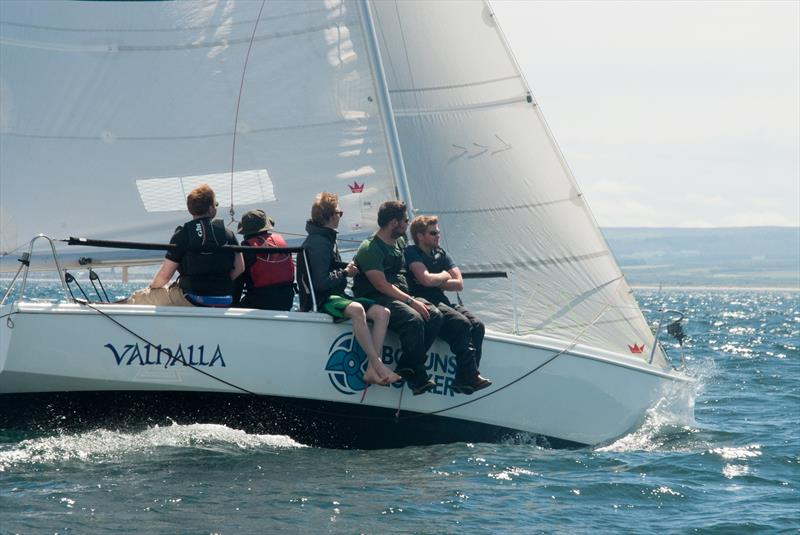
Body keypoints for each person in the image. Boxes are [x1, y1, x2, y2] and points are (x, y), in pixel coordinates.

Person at [299, 192, 400, 386]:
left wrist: (348, 270)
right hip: (324, 298)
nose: (340, 215)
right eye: (339, 212)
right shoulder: (319, 242)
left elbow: (330, 269)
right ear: (329, 215)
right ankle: (377, 365)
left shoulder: (326, 238)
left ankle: (371, 370)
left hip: (337, 294)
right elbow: (320, 283)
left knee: (382, 312)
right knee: (357, 310)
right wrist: (345, 273)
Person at [352, 201, 443, 395]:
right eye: (405, 220)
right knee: (414, 319)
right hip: (376, 296)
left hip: (399, 294)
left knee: (434, 315)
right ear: (394, 222)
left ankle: (407, 365)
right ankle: (417, 375)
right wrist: (411, 302)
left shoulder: (400, 242)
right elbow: (381, 285)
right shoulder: (370, 248)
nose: (407, 224)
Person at [405, 215, 491, 394]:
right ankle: (470, 375)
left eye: (438, 232)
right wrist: (443, 276)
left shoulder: (441, 253)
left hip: (441, 299)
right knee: (461, 323)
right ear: (420, 236)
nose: (438, 236)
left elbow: (459, 283)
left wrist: (435, 280)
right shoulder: (412, 252)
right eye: (433, 232)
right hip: (423, 299)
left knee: (477, 325)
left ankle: (465, 375)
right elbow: (425, 280)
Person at [127, 184, 244, 306]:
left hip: (192, 298)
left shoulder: (182, 235)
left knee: (139, 297)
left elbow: (165, 276)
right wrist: (218, 285)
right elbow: (240, 268)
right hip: (224, 298)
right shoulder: (228, 234)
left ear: (190, 210)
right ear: (210, 209)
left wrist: (152, 288)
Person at [233, 209, 295, 311]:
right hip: (287, 301)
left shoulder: (246, 248)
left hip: (259, 302)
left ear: (245, 232)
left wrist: (233, 304)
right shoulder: (281, 243)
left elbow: (238, 283)